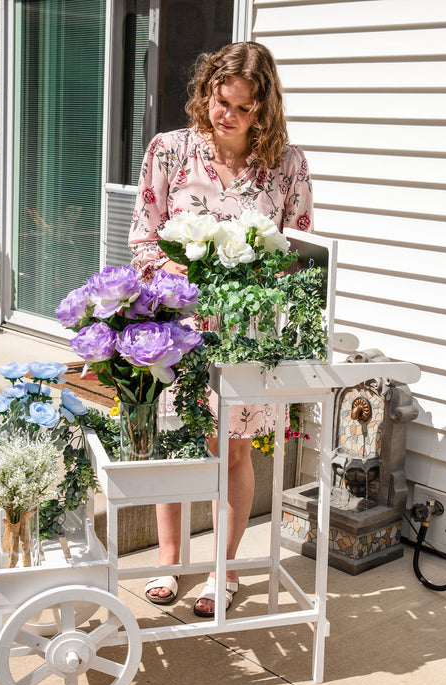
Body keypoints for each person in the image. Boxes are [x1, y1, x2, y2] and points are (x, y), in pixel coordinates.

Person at [128, 41, 314, 617]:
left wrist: (253, 272)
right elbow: (141, 239)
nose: (223, 114)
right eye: (216, 99)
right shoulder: (170, 151)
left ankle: (223, 572)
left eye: (238, 106)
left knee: (231, 451)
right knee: (173, 452)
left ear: (263, 109)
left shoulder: (287, 165)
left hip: (245, 333)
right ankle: (168, 561)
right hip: (175, 328)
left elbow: (300, 253)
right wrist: (179, 268)